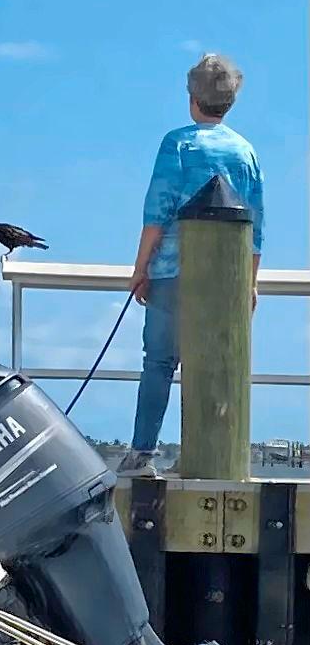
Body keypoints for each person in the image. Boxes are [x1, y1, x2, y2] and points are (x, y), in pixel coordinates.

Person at [119, 53, 263, 474]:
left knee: (160, 362)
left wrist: (140, 268)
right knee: (212, 364)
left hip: (172, 272)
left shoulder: (177, 143)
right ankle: (206, 455)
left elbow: (157, 212)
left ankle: (142, 452)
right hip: (226, 278)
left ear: (192, 97)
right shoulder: (246, 152)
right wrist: (249, 283)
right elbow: (256, 225)